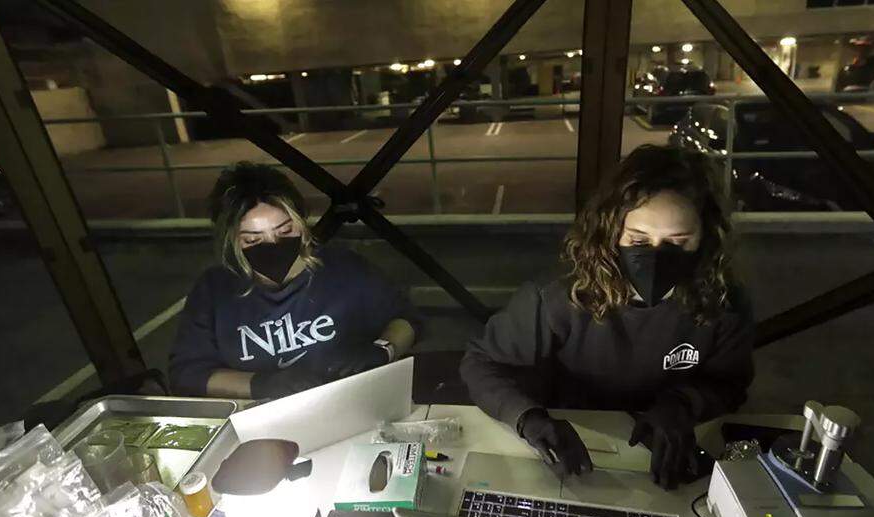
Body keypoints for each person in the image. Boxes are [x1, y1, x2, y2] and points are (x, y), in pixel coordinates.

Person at [460, 145, 754, 489]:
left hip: (668, 447)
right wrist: (528, 418)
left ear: (705, 239)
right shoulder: (559, 297)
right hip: (577, 443)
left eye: (677, 241)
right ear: (612, 232)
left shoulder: (722, 302)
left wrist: (684, 404)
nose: (657, 257)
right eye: (639, 239)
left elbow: (730, 382)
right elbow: (481, 362)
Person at [169, 162, 418, 399]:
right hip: (265, 417)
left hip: (352, 402)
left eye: (285, 231)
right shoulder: (215, 289)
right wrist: (261, 384)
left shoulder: (343, 267)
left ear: (301, 223)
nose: (273, 245)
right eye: (253, 240)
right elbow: (188, 373)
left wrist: (383, 350)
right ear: (231, 241)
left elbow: (406, 318)